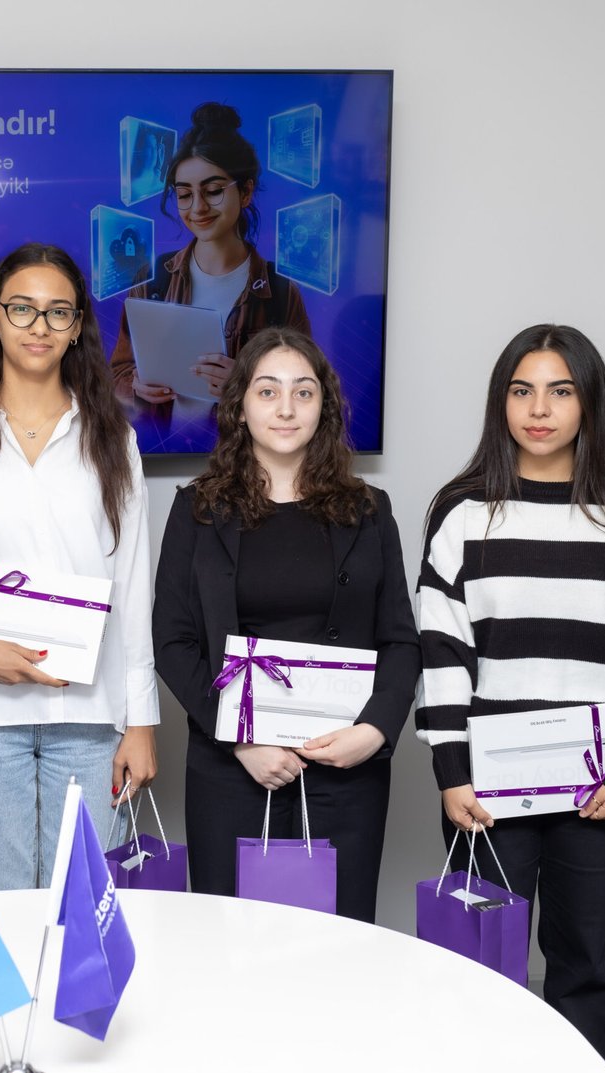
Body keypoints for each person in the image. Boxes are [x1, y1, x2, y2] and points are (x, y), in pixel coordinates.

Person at [414, 324, 605, 1063]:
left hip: (596, 783)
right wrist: (451, 771)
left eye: (560, 391)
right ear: (500, 402)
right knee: (479, 960)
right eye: (521, 390)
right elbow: (442, 649)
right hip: (487, 785)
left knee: (583, 959)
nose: (539, 409)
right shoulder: (463, 513)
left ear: (589, 403)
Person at [0, 242, 159, 891]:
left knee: (84, 908)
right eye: (22, 308)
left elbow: (132, 591)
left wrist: (141, 722)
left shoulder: (113, 440)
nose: (39, 326)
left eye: (57, 312)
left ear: (77, 328)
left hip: (91, 714)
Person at [151, 327, 419, 920]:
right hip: (233, 767)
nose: (286, 408)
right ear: (240, 405)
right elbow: (173, 642)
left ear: (324, 406)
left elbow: (400, 638)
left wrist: (375, 731)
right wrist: (241, 739)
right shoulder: (197, 510)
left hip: (346, 768)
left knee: (339, 943)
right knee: (233, 943)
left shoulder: (370, 511)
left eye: (303, 392)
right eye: (268, 391)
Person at [109, 102, 312, 412]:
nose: (198, 208)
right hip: (161, 440)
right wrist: (135, 385)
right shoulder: (152, 280)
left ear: (245, 193)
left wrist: (249, 385)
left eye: (214, 190)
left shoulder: (281, 293)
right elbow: (118, 375)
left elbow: (304, 392)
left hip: (239, 444)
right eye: (184, 194)